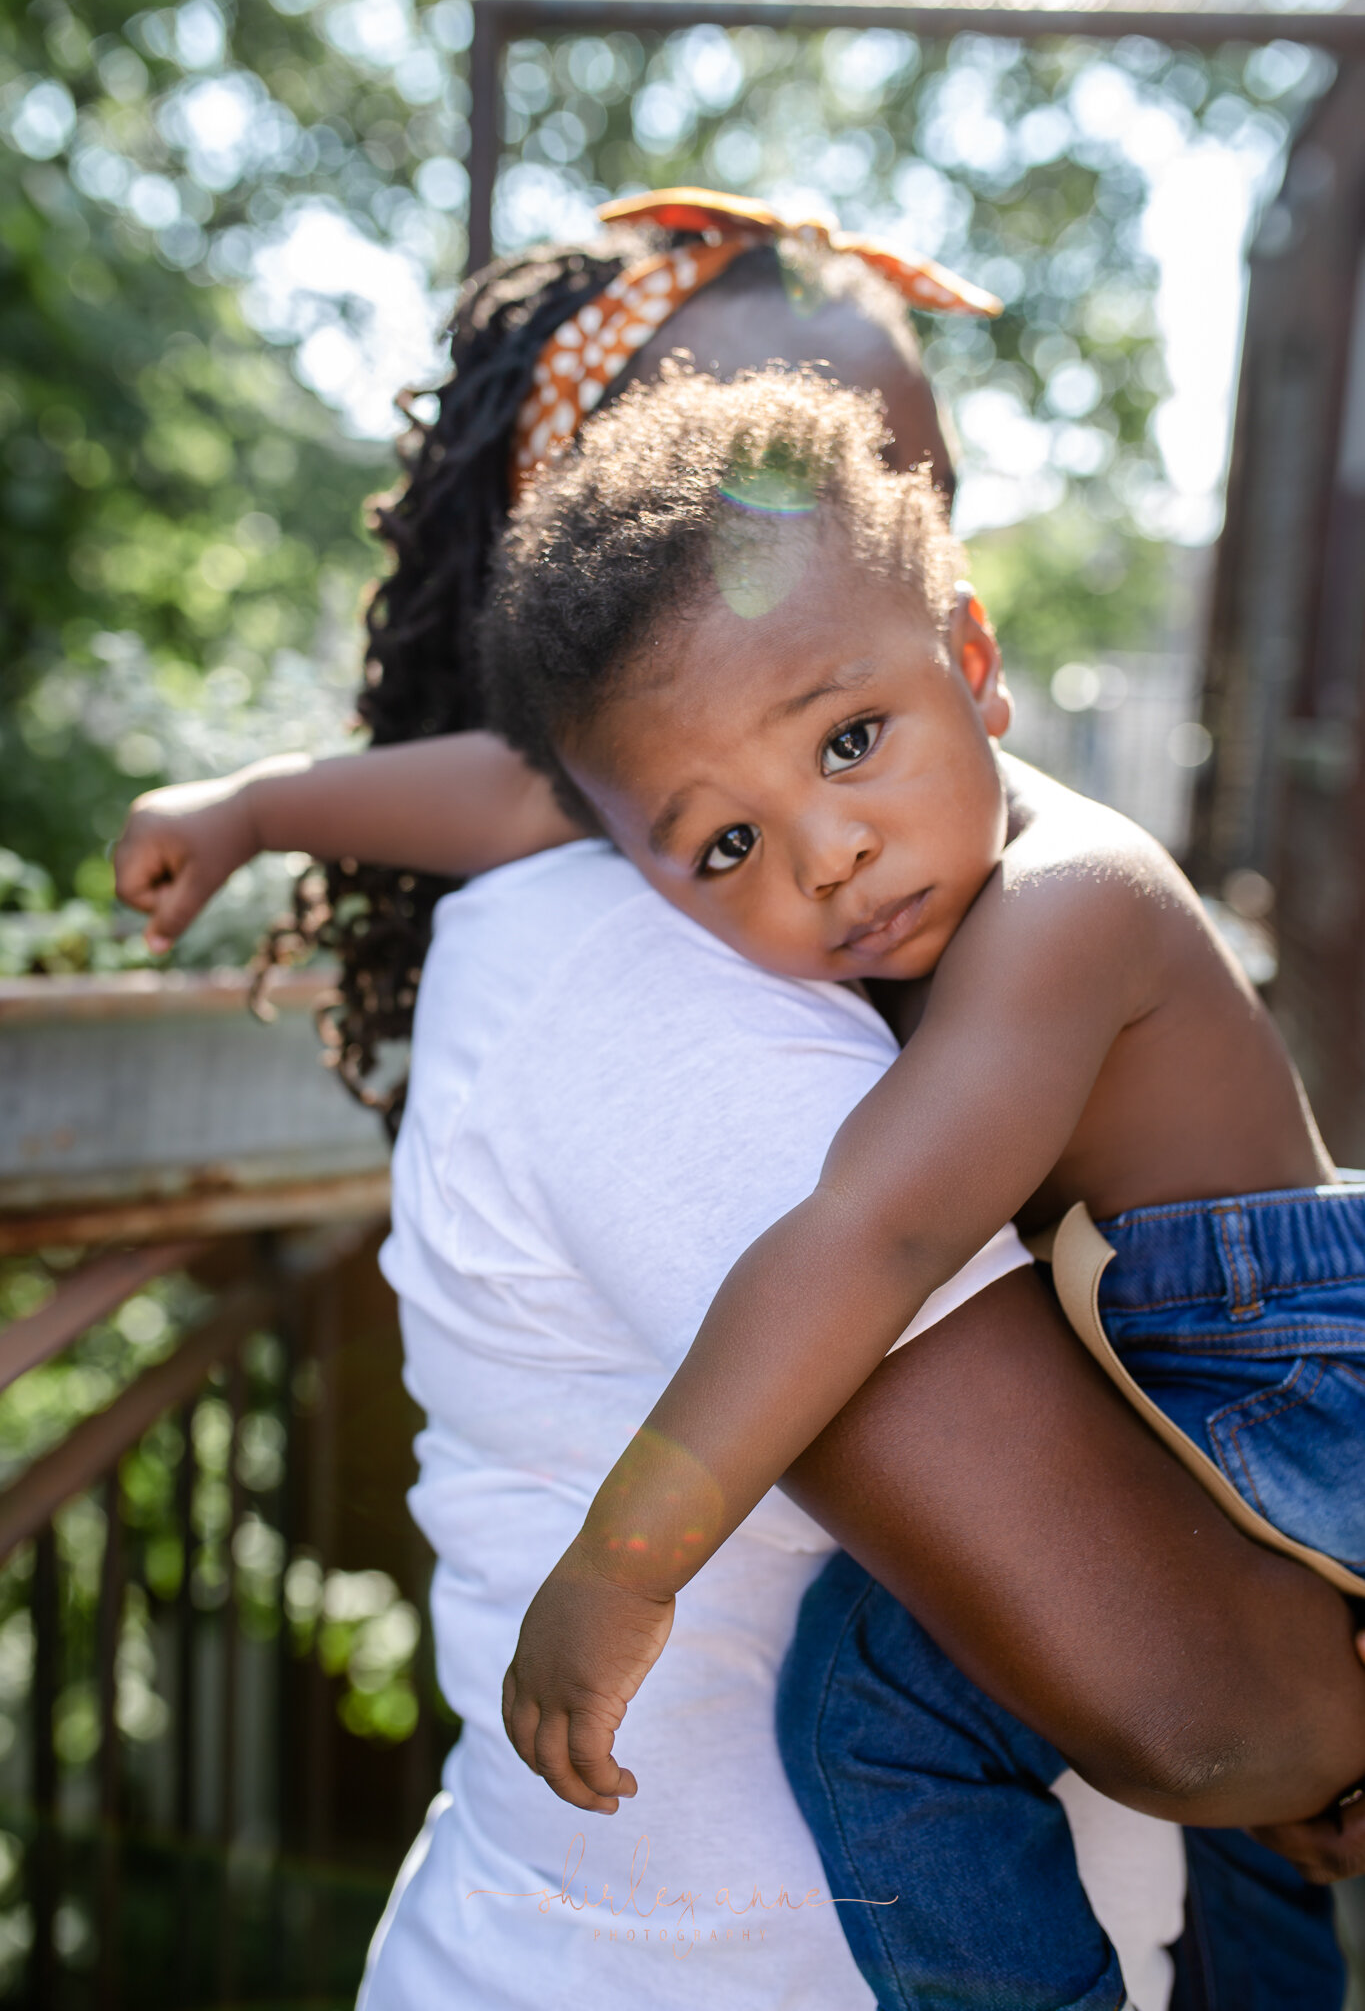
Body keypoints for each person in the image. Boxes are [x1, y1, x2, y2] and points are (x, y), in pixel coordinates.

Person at [113, 210, 1365, 2007]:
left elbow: (872, 1230)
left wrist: (623, 1566)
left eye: (899, 476)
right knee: (896, 1720)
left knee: (941, 1743)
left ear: (960, 632)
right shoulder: (678, 915)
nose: (827, 843)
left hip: (1268, 1390)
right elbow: (522, 793)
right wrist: (255, 806)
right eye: (716, 836)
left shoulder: (1040, 896)